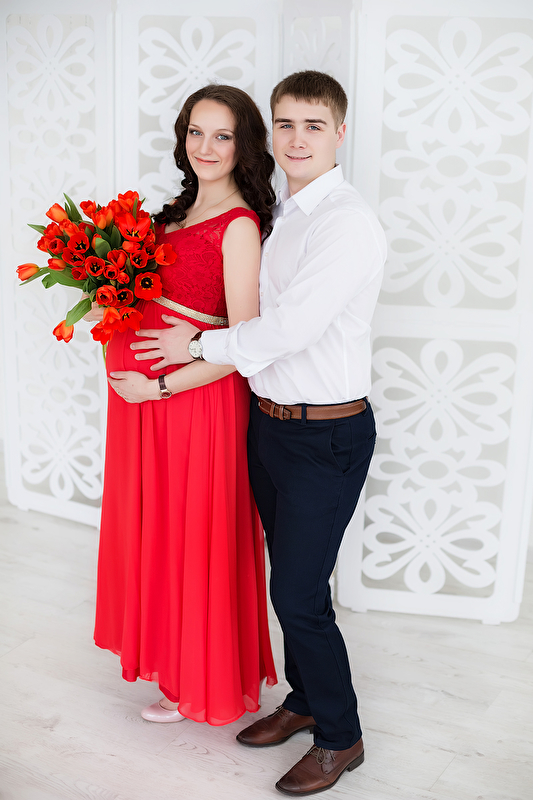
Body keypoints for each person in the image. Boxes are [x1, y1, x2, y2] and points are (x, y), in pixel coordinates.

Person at [127, 70, 386, 795]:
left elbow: (288, 330)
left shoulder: (344, 223)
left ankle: (340, 736)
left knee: (299, 594)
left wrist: (193, 347)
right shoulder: (290, 214)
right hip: (271, 426)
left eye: (313, 125)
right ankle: (304, 702)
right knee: (288, 585)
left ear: (339, 133)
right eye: (286, 124)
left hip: (326, 434)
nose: (297, 138)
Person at [92, 84, 277, 727]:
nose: (206, 147)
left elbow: (245, 347)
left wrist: (161, 386)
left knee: (193, 538)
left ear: (243, 145)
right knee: (159, 536)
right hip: (143, 408)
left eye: (222, 136)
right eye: (196, 132)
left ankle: (200, 677)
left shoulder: (240, 227)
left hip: (195, 403)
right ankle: (171, 664)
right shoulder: (167, 217)